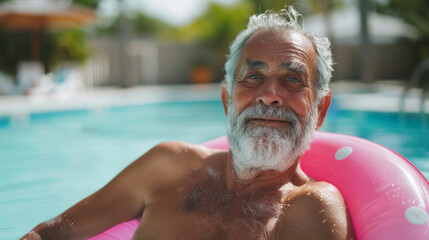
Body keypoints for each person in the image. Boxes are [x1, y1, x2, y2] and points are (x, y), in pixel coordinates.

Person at [22, 6, 355, 240]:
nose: (270, 95)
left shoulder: (310, 208)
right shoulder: (168, 168)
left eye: (292, 80)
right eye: (253, 76)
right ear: (228, 101)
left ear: (320, 109)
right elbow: (52, 232)